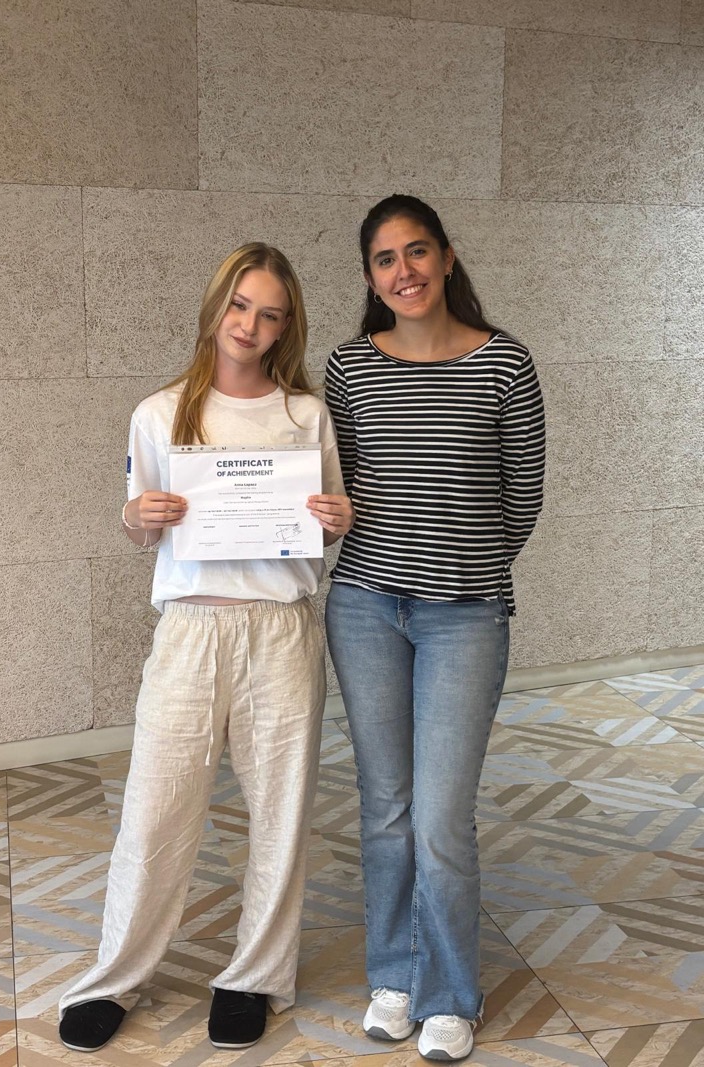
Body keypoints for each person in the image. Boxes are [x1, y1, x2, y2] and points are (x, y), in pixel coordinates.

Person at [58, 243, 354, 1054]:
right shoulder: (160, 412)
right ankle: (114, 977)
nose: (250, 325)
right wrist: (137, 516)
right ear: (216, 305)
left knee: (281, 812)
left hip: (281, 630)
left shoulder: (305, 414)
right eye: (240, 305)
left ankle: (254, 976)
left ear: (286, 326)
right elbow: (139, 528)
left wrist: (339, 517)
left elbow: (327, 523)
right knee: (154, 810)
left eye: (270, 314)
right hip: (190, 630)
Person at [324, 195, 545, 1062]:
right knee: (386, 807)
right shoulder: (349, 366)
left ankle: (449, 992)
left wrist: (462, 566)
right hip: (364, 606)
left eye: (417, 251)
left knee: (441, 818)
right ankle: (394, 975)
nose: (404, 270)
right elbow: (340, 485)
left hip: (464, 616)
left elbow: (522, 498)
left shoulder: (505, 362)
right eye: (385, 258)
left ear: (447, 258)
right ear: (369, 275)